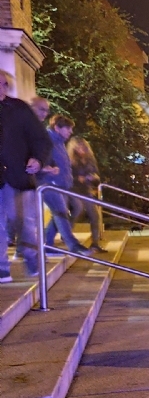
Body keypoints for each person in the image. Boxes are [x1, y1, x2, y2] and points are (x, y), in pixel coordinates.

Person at [0, 73, 51, 281]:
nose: (2, 88)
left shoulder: (19, 109)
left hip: (18, 176)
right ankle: (2, 267)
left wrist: (38, 159)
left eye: (4, 84)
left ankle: (31, 258)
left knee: (24, 221)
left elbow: (40, 139)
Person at [41, 113, 88, 255]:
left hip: (63, 184)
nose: (71, 132)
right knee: (61, 212)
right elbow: (40, 160)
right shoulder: (47, 140)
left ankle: (46, 244)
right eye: (68, 129)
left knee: (65, 211)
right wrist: (49, 168)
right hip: (50, 184)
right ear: (57, 128)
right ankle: (73, 245)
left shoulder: (59, 142)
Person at [66, 133, 103, 252]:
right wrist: (78, 178)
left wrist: (94, 177)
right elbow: (66, 176)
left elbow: (96, 175)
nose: (81, 149)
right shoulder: (70, 160)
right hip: (74, 189)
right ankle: (66, 234)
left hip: (86, 189)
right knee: (78, 210)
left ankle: (95, 243)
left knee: (95, 215)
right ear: (74, 148)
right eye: (79, 147)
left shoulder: (89, 159)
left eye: (83, 147)